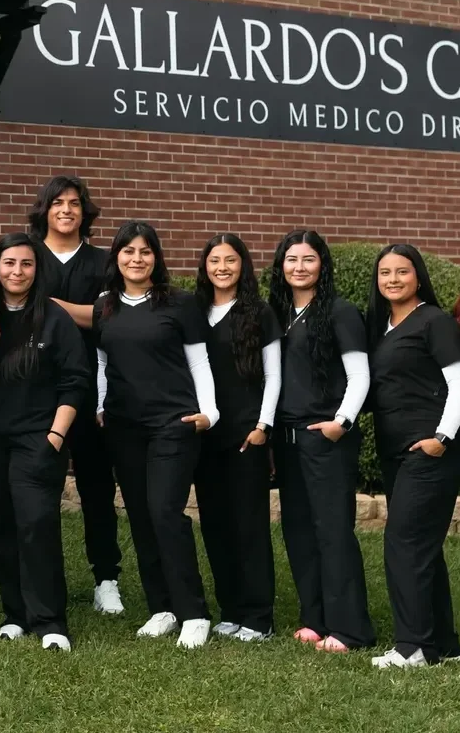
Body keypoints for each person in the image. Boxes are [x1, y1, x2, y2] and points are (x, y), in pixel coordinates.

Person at [93, 220, 217, 649]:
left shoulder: (179, 303)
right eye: (128, 251)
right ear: (117, 258)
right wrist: (100, 405)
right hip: (124, 426)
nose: (137, 259)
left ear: (156, 258)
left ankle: (194, 612)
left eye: (145, 251)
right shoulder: (105, 306)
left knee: (165, 512)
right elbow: (102, 363)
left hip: (173, 424)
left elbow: (199, 361)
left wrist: (210, 413)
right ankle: (162, 608)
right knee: (141, 515)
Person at [0, 233, 89, 651]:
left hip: (38, 438)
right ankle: (15, 614)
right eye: (9, 263)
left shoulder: (54, 318)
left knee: (36, 525)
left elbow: (76, 380)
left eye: (27, 264)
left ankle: (50, 621)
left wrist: (56, 435)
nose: (17, 272)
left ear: (38, 270)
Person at [269, 229, 374, 653]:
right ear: (281, 266)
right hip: (287, 438)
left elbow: (360, 376)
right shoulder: (279, 313)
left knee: (333, 532)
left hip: (326, 439)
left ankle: (350, 630)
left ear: (322, 264)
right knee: (298, 530)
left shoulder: (339, 312)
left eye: (308, 259)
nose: (299, 267)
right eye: (291, 259)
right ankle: (315, 619)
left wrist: (340, 423)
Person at [366, 244, 460, 669]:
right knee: (423, 547)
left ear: (418, 276)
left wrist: (441, 438)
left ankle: (412, 648)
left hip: (430, 453)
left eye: (402, 271)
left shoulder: (434, 321)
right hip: (398, 453)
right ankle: (444, 646)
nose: (392, 279)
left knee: (404, 544)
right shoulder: (384, 327)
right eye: (385, 272)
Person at [28, 174, 123, 616]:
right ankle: (41, 579)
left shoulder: (103, 262)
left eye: (74, 203)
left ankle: (106, 579)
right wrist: (79, 312)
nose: (66, 210)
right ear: (44, 210)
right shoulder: (29, 257)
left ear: (85, 212)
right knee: (37, 489)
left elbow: (107, 316)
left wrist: (49, 305)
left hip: (92, 390)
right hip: (36, 391)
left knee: (97, 489)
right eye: (57, 203)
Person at [192, 233, 281, 643]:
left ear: (242, 265)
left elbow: (273, 375)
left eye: (230, 260)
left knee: (249, 526)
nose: (222, 268)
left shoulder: (260, 313)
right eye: (215, 260)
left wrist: (263, 426)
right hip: (206, 435)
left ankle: (259, 617)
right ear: (205, 267)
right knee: (215, 524)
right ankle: (231, 610)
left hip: (247, 434)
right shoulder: (195, 311)